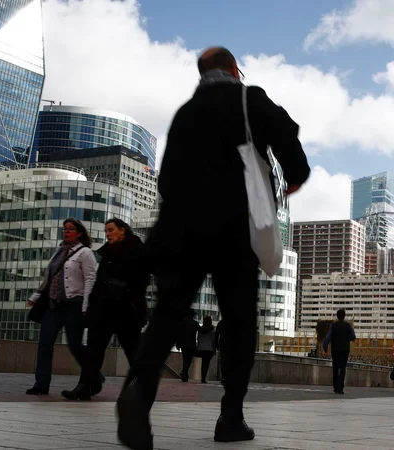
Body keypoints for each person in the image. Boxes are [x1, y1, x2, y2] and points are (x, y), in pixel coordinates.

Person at [115, 46, 311, 449]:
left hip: (179, 230)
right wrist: (296, 175)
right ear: (234, 69)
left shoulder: (185, 112)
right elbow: (285, 129)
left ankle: (137, 393)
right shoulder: (246, 96)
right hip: (232, 228)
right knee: (239, 322)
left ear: (202, 73)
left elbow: (166, 179)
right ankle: (231, 417)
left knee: (168, 315)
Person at [62, 219, 149, 400]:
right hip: (103, 308)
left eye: (111, 230)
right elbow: (99, 280)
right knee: (94, 349)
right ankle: (85, 386)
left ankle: (143, 387)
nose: (107, 234)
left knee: (132, 350)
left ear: (122, 230)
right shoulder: (108, 252)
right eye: (106, 231)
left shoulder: (136, 250)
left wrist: (122, 291)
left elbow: (141, 281)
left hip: (126, 310)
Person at [26, 218, 98, 396]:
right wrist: (36, 296)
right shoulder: (58, 252)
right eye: (65, 229)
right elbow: (50, 278)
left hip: (75, 304)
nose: (66, 232)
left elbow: (90, 279)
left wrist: (86, 304)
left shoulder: (85, 253)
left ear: (79, 232)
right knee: (44, 344)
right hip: (53, 305)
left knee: (75, 344)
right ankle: (41, 385)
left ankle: (93, 374)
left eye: (70, 229)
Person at [322, 309, 356, 394]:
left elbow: (327, 338)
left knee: (335, 368)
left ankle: (335, 387)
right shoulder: (348, 326)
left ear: (337, 316)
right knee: (342, 368)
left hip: (335, 349)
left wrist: (325, 348)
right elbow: (353, 337)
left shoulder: (333, 326)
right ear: (344, 316)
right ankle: (340, 388)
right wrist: (346, 339)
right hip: (345, 350)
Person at [178, 313, 201, 382]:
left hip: (183, 344)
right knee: (188, 360)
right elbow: (202, 330)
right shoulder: (195, 323)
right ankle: (184, 372)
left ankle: (184, 374)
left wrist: (178, 344)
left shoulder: (182, 323)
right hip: (191, 345)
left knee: (185, 359)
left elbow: (178, 334)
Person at [196, 316, 216, 383]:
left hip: (201, 349)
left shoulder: (201, 329)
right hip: (209, 349)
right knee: (206, 363)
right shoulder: (213, 330)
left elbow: (198, 339)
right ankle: (203, 378)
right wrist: (214, 349)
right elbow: (214, 341)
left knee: (203, 363)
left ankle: (203, 377)